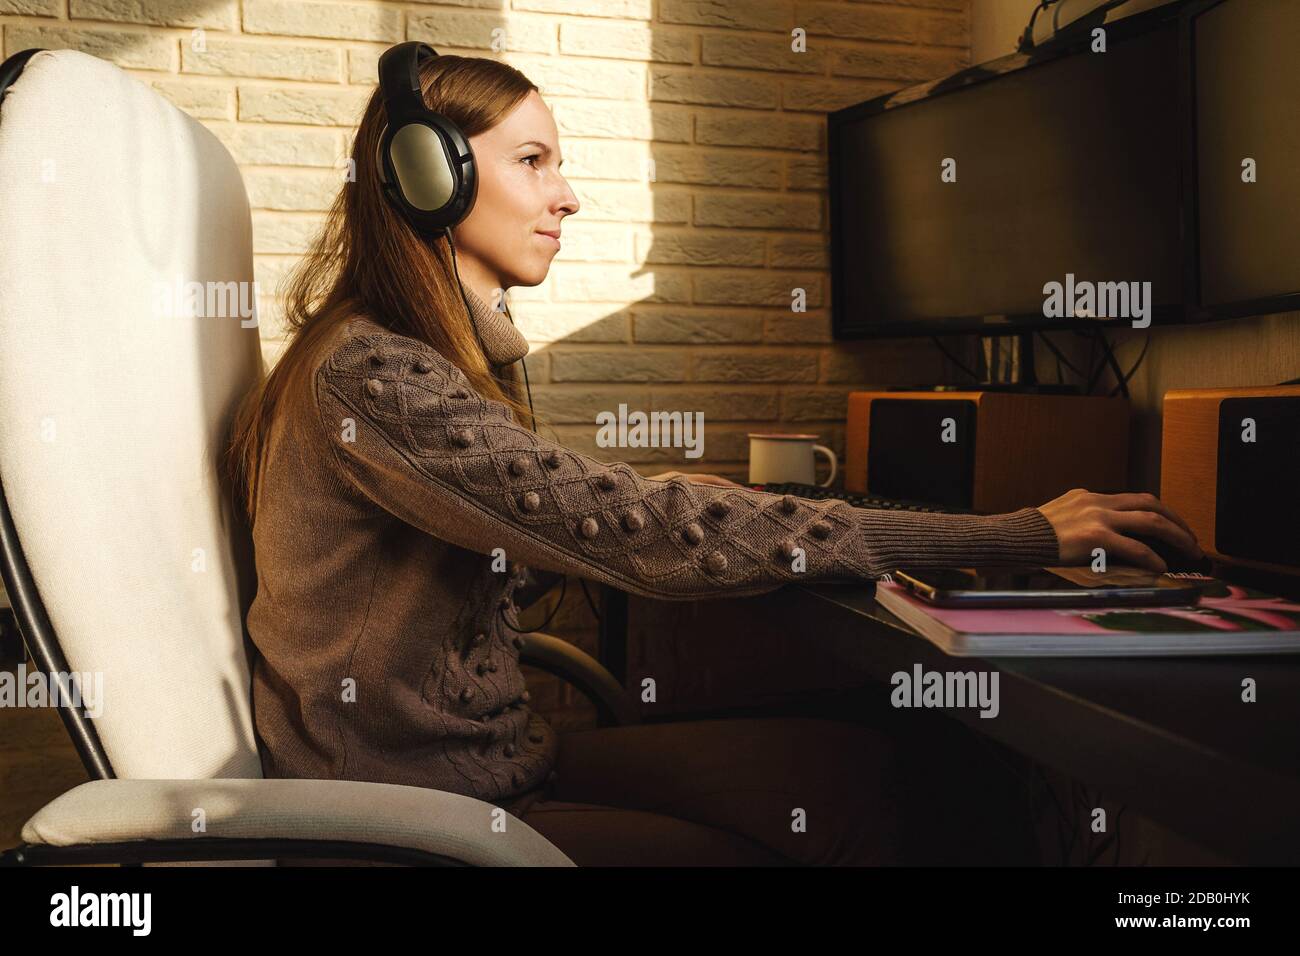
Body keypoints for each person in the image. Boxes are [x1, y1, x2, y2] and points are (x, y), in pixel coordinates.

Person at [224, 49, 1204, 866]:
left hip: (492, 778)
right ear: (429, 173)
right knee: (907, 794)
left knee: (901, 762)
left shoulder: (417, 357)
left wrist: (696, 498)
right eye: (532, 160)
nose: (565, 195)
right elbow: (638, 530)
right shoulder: (375, 374)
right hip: (421, 824)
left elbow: (579, 503)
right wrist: (1016, 531)